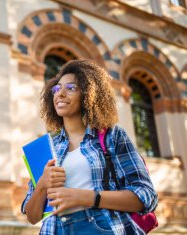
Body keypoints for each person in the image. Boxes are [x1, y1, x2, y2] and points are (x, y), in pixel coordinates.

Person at [21, 59, 158, 235]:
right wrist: (41, 185)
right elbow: (32, 217)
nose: (60, 93)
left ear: (88, 95)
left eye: (71, 88)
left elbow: (146, 195)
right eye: (57, 88)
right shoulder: (44, 148)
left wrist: (83, 197)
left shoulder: (112, 136)